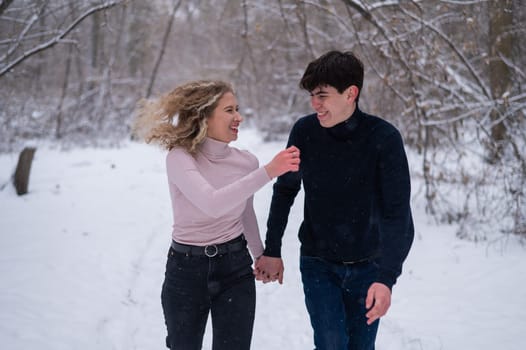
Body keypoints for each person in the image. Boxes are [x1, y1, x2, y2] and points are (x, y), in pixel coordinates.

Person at [254, 51, 414, 350]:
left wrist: (386, 278)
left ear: (351, 93)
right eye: (313, 95)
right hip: (318, 263)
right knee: (331, 344)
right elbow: (286, 190)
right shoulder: (304, 132)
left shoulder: (383, 138)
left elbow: (398, 215)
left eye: (323, 95)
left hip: (369, 265)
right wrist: (272, 248)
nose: (315, 104)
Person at [133, 80, 300, 350]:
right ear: (204, 116)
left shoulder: (245, 162)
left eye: (238, 109)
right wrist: (268, 172)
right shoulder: (180, 157)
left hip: (233, 267)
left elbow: (245, 212)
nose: (239, 117)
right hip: (186, 270)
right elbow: (211, 203)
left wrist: (260, 255)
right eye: (230, 110)